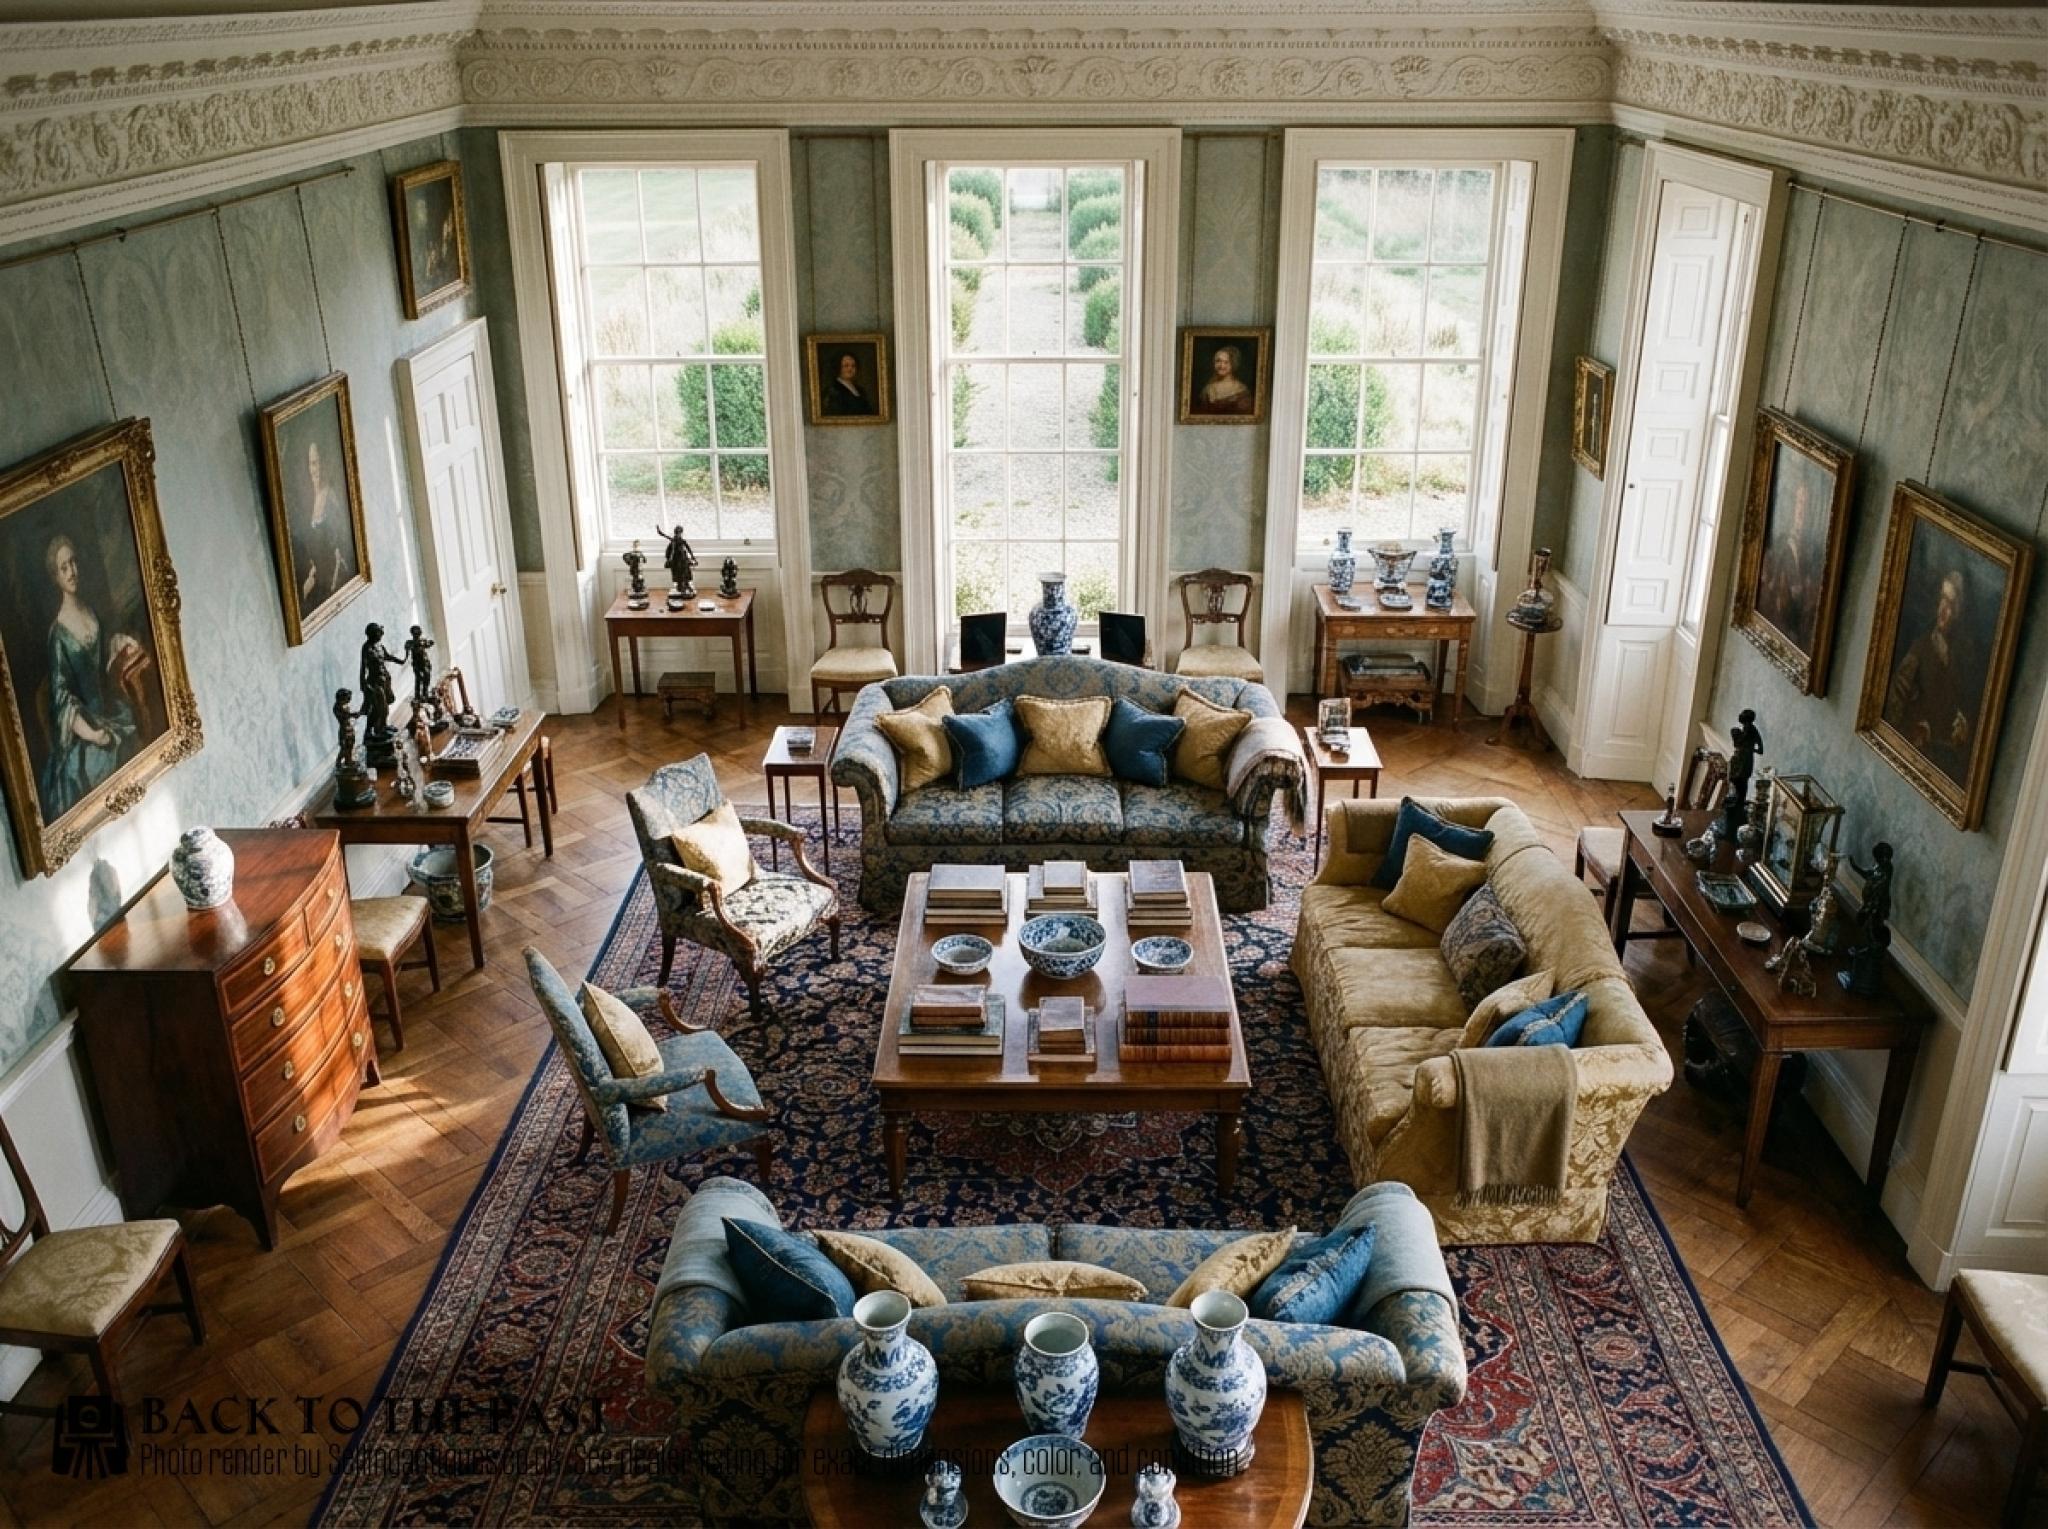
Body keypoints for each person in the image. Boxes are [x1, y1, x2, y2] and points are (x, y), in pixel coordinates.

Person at [37, 534, 148, 821]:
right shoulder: (57, 633)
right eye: (64, 567)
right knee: (105, 759)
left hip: (109, 710)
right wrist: (92, 734)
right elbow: (61, 698)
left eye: (73, 562)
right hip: (83, 729)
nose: (72, 571)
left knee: (136, 741)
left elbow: (100, 655)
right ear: (55, 576)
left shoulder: (90, 611)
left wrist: (118, 642)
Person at [1884, 567, 1973, 779]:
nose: (1944, 609)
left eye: (1951, 604)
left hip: (1941, 764)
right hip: (1911, 759)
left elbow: (1958, 706)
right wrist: (1915, 728)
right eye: (1942, 599)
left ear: (1959, 612)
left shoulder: (1961, 658)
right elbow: (1892, 708)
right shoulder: (1920, 649)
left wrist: (1963, 727)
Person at [1756, 472, 1822, 651]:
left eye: (1807, 505)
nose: (1802, 511)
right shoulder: (1779, 544)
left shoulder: (1815, 551)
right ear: (1794, 505)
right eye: (1800, 503)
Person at [293, 437, 355, 611]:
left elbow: (340, 545)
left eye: (320, 462)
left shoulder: (332, 497)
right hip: (312, 574)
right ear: (308, 466)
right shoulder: (306, 499)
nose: (317, 469)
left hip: (330, 578)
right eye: (313, 463)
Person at [1193, 344, 1255, 416]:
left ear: (1233, 364)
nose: (1221, 366)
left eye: (1226, 362)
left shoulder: (1241, 390)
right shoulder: (1207, 389)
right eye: (1218, 361)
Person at [822, 351, 874, 417]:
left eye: (853, 366)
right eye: (846, 366)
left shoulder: (860, 390)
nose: (850, 369)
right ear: (838, 367)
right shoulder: (833, 390)